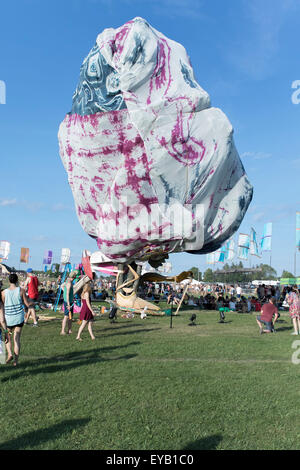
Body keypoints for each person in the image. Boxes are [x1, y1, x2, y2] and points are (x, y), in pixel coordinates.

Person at [1, 273, 31, 366]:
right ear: (17, 280)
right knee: (16, 339)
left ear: (9, 280)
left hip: (9, 319)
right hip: (18, 319)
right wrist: (33, 304)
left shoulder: (4, 292)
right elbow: (27, 304)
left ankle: (9, 353)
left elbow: (2, 305)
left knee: (8, 337)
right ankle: (16, 361)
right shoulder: (21, 290)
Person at [60, 271, 77, 335]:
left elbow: (62, 287)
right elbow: (67, 294)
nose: (74, 279)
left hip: (70, 301)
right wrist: (68, 304)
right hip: (68, 302)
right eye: (74, 278)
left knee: (70, 316)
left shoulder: (68, 281)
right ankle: (62, 331)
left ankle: (69, 330)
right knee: (66, 316)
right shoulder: (69, 283)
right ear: (72, 277)